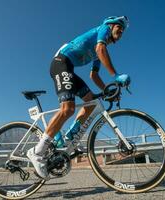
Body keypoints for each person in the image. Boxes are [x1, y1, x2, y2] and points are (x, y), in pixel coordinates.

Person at [27, 16, 131, 180]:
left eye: (123, 32)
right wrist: (116, 75)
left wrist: (106, 91)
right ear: (111, 25)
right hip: (61, 63)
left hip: (69, 70)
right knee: (67, 109)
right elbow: (100, 50)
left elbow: (94, 75)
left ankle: (69, 136)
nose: (121, 34)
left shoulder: (100, 48)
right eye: (120, 29)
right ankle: (37, 152)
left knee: (90, 103)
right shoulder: (102, 30)